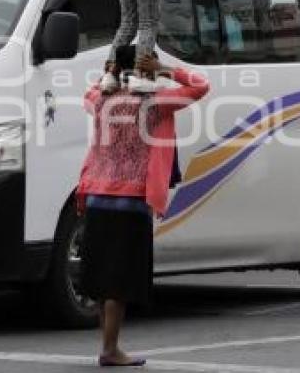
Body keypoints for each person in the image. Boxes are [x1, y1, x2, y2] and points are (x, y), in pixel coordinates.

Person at [77, 45, 209, 367]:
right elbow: (200, 85)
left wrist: (108, 74)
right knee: (119, 282)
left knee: (102, 278)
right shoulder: (155, 104)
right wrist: (166, 69)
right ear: (144, 71)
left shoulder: (103, 101)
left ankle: (108, 345)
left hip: (96, 195)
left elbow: (89, 92)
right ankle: (110, 350)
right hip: (132, 200)